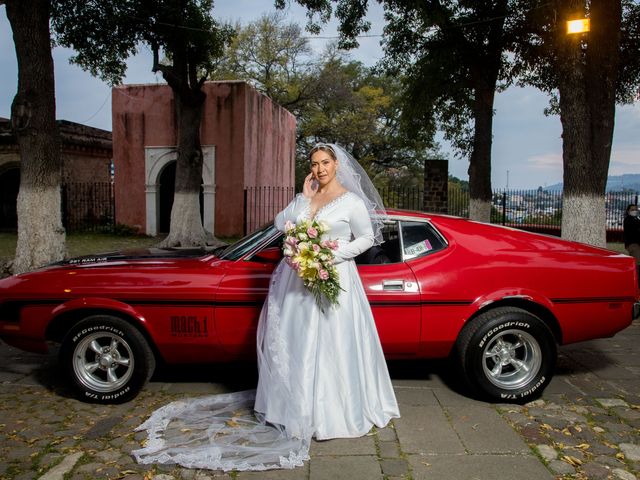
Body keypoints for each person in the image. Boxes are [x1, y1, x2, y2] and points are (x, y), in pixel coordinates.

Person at [132, 143, 400, 471]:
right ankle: (293, 410)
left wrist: (330, 255)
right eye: (314, 164)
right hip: (297, 282)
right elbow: (280, 223)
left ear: (337, 164)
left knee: (332, 345)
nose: (320, 169)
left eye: (325, 163)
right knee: (298, 345)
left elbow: (366, 238)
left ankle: (332, 413)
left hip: (334, 279)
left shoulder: (352, 202)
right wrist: (303, 198)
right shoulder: (308, 196)